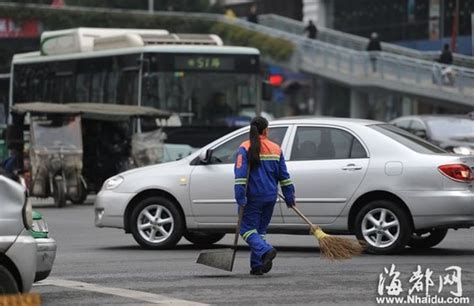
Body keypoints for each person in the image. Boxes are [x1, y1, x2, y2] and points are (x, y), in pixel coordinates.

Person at [234, 116, 295, 275]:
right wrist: (290, 197)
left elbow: (240, 176)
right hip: (270, 197)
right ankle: (257, 266)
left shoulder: (245, 147)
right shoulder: (276, 148)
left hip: (252, 197)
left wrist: (240, 197)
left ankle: (266, 250)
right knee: (259, 231)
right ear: (266, 130)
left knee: (245, 229)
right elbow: (284, 177)